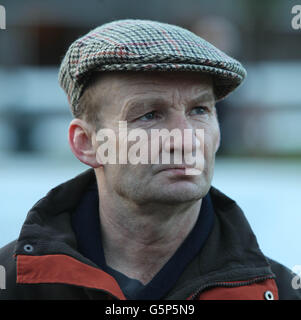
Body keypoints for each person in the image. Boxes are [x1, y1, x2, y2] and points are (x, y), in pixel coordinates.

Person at [0, 19, 300, 300]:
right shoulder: (16, 284)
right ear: (87, 143)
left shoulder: (279, 291)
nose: (186, 139)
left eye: (199, 111)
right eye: (149, 115)